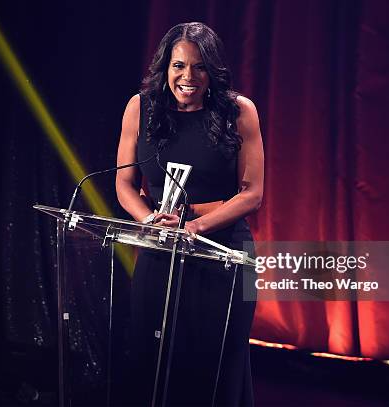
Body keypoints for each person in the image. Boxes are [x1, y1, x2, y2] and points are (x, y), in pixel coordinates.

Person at [116, 22, 264, 406]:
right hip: (160, 249)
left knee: (214, 370)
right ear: (165, 67)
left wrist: (193, 226)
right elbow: (124, 185)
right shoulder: (140, 107)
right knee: (154, 362)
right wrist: (150, 223)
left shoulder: (239, 111)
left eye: (199, 67)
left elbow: (253, 194)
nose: (188, 76)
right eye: (178, 66)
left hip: (223, 255)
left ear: (212, 70)